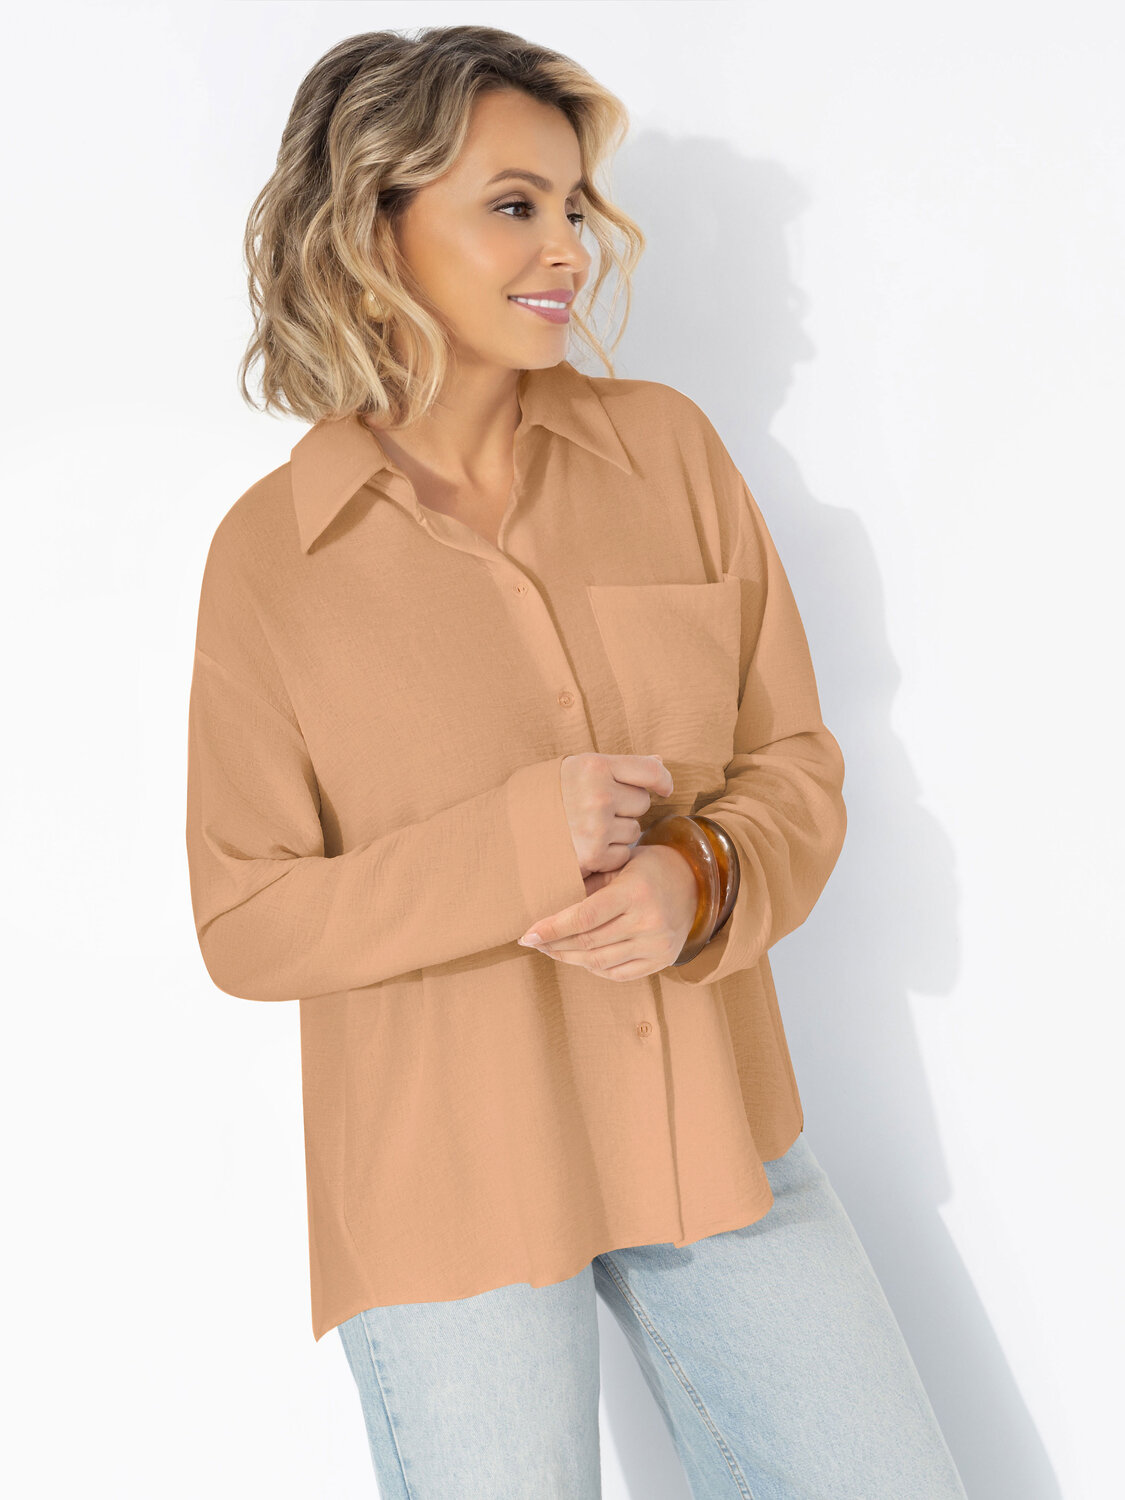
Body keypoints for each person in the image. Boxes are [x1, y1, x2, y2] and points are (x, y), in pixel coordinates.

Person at [185, 22, 969, 1499]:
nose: (568, 247)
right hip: (444, 1187)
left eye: (569, 204)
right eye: (512, 204)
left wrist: (701, 871)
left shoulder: (666, 454)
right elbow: (246, 918)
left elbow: (794, 761)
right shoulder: (272, 558)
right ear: (373, 225)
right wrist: (513, 842)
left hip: (710, 1137)